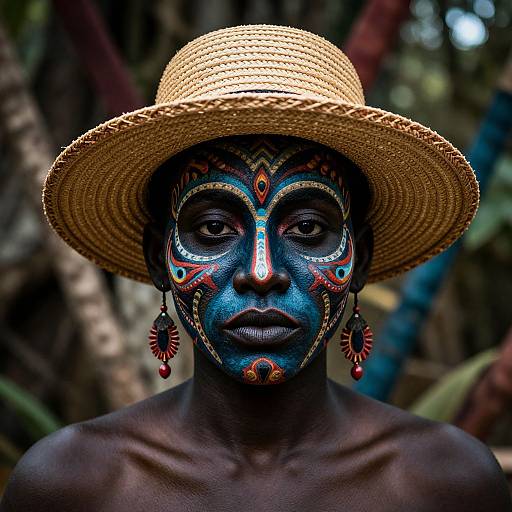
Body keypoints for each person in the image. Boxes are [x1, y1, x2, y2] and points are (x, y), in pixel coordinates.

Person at [1, 24, 510, 512]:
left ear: (361, 257)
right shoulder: (71, 484)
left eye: (309, 229)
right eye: (214, 230)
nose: (262, 272)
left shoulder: (447, 483)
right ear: (161, 257)